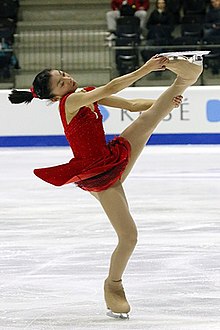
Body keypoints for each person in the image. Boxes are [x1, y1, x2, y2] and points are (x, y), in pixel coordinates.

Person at [8, 53, 203, 318]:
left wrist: (164, 105)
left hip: (111, 157)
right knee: (129, 236)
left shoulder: (85, 92)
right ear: (55, 96)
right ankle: (113, 285)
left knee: (148, 119)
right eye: (61, 82)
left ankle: (186, 78)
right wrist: (145, 69)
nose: (67, 79)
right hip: (96, 175)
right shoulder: (70, 101)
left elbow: (134, 105)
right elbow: (112, 86)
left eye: (63, 74)